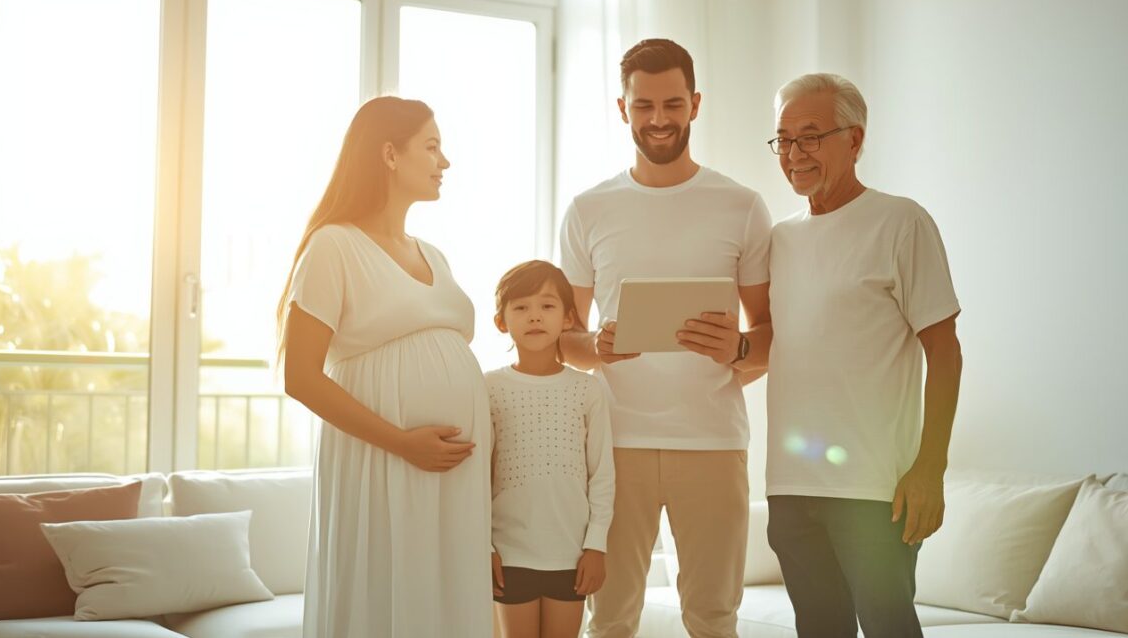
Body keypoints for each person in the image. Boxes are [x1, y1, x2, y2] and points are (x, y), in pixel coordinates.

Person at [558, 38, 773, 638]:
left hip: (713, 442)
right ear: (621, 108)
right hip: (616, 444)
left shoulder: (742, 206)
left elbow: (770, 335)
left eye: (672, 104)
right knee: (611, 619)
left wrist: (735, 350)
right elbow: (565, 339)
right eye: (644, 105)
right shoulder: (588, 210)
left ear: (695, 104)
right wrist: (596, 347)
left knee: (712, 617)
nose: (659, 119)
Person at [276, 96, 492, 637]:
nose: (445, 162)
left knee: (443, 601)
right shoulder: (334, 247)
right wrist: (401, 441)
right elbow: (300, 377)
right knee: (386, 593)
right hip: (383, 460)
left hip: (454, 473)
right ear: (390, 155)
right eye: (433, 146)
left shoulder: (434, 254)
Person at [762, 73, 964, 637]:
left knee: (889, 628)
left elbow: (944, 353)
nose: (794, 154)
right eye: (783, 139)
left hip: (877, 490)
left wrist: (931, 468)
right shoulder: (779, 240)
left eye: (811, 136)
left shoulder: (901, 222)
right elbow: (782, 343)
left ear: (854, 139)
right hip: (791, 486)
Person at [486, 259, 615, 638]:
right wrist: (483, 547)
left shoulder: (587, 389)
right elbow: (475, 476)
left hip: (571, 555)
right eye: (521, 307)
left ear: (569, 318)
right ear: (501, 321)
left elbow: (602, 474)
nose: (535, 317)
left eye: (547, 306)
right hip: (508, 555)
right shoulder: (488, 388)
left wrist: (596, 546)